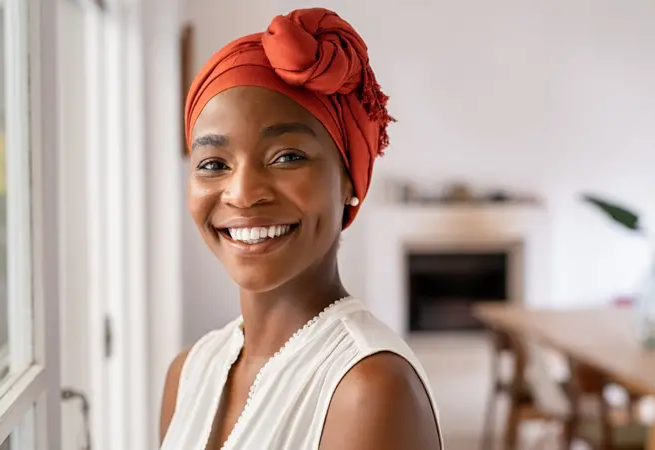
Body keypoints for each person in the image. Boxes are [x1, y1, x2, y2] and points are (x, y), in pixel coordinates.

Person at [158, 7, 443, 450]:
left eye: (287, 156)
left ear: (350, 177)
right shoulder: (188, 372)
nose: (243, 193)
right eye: (213, 164)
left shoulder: (369, 389)